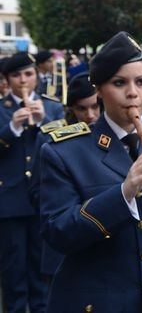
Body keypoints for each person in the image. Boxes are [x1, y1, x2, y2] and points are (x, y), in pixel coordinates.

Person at [39, 31, 142, 312]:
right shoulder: (64, 152)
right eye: (119, 83)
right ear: (98, 89)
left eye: (141, 82)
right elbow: (57, 233)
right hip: (101, 301)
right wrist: (124, 193)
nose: (133, 92)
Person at [0, 52, 64, 313]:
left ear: (37, 76)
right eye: (16, 75)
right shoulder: (1, 109)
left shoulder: (53, 107)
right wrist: (12, 129)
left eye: (28, 74)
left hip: (43, 199)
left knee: (42, 269)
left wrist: (42, 123)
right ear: (7, 80)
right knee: (13, 269)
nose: (23, 80)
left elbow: (62, 149)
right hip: (10, 202)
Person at [29, 71, 101, 279]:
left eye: (95, 107)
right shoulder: (50, 138)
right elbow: (36, 192)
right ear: (70, 109)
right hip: (66, 238)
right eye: (82, 109)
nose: (90, 115)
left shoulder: (112, 135)